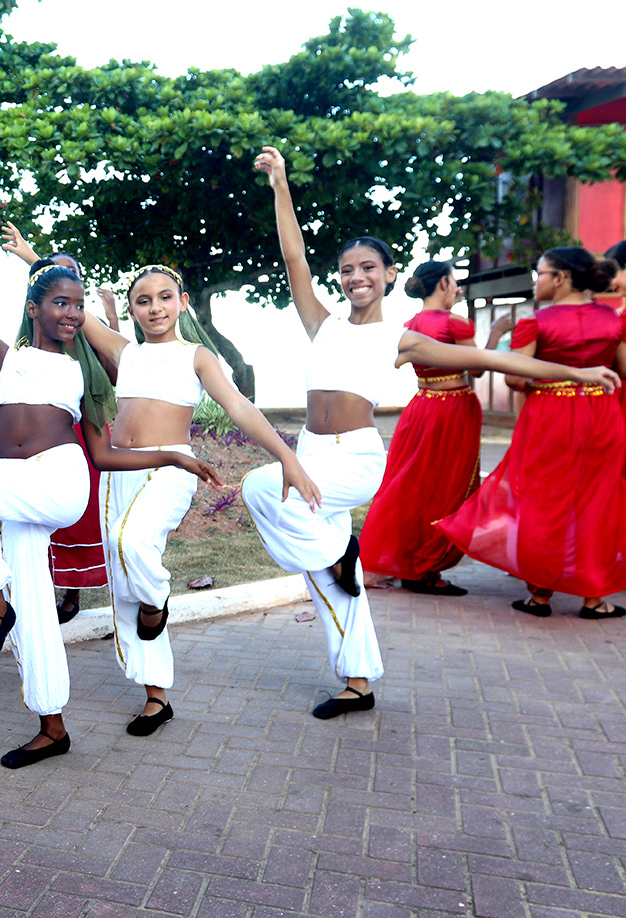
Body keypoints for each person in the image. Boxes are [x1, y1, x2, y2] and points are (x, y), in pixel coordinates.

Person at [248, 146, 621, 720]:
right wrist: (281, 186)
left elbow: (500, 364)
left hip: (353, 458)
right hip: (312, 452)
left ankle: (343, 549)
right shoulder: (321, 324)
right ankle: (357, 682)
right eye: (347, 269)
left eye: (368, 267)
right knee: (326, 579)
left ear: (390, 274)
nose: (356, 276)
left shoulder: (403, 339)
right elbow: (292, 254)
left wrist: (573, 371)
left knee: (259, 489)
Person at [0, 176, 221, 769]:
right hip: (16, 491)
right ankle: (51, 726)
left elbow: (102, 455)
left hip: (58, 481)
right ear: (35, 309)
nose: (71, 314)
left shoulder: (88, 375)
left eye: (79, 306)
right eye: (60, 304)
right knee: (36, 611)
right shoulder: (7, 357)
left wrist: (171, 454)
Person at [77, 263, 320, 737]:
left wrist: (286, 457)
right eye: (142, 300)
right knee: (122, 572)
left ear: (182, 302)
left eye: (165, 297)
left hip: (171, 468)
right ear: (130, 309)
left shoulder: (197, 356)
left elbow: (239, 407)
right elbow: (68, 299)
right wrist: (31, 259)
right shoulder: (123, 351)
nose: (154, 307)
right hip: (122, 470)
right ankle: (155, 696)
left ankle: (156, 601)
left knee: (133, 544)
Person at [439, 246, 626, 618]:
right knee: (597, 503)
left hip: (549, 419)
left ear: (559, 277)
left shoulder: (535, 322)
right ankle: (593, 598)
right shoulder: (614, 320)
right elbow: (622, 370)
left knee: (542, 501)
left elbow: (515, 377)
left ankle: (540, 595)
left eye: (539, 273)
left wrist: (546, 378)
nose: (535, 280)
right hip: (603, 418)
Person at [0, 225, 110, 622]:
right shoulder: (25, 349)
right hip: (33, 441)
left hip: (78, 432)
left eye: (76, 302)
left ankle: (71, 590)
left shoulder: (87, 341)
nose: (70, 312)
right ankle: (25, 592)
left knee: (75, 520)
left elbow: (113, 372)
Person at [359, 261, 482, 595]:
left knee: (407, 483)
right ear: (444, 283)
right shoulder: (456, 323)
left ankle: (391, 560)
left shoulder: (409, 324)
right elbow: (479, 368)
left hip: (421, 405)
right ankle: (426, 568)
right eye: (453, 280)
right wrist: (495, 335)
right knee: (447, 486)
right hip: (455, 407)